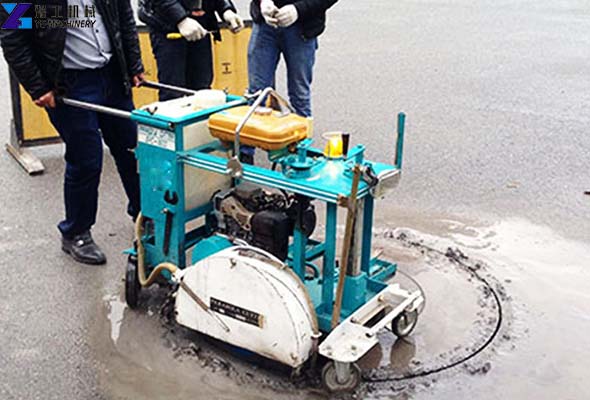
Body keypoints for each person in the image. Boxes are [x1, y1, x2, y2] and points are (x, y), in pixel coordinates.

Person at [0, 0, 144, 265]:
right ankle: (76, 232)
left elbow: (122, 15)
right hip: (70, 83)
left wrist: (133, 63)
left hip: (112, 75)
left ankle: (144, 215)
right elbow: (12, 32)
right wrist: (38, 86)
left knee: (131, 149)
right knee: (86, 159)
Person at [248, 0, 339, 118]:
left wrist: (298, 9)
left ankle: (301, 133)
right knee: (256, 94)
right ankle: (255, 134)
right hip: (265, 25)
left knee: (299, 95)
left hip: (302, 27)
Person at [139, 0, 245, 100]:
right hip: (167, 26)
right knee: (172, 93)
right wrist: (180, 19)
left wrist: (225, 9)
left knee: (202, 91)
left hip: (200, 26)